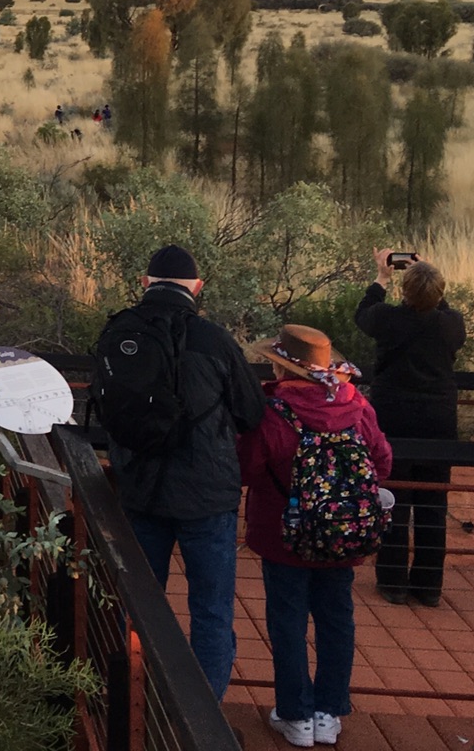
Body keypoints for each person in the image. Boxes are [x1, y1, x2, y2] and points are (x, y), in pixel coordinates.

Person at [94, 245, 266, 699]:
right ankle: (202, 720)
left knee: (134, 605)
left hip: (139, 491)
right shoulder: (215, 339)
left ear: (145, 283)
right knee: (211, 610)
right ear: (197, 287)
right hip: (207, 497)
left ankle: (125, 703)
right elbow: (251, 413)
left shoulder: (121, 331)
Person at [240, 325, 392, 747]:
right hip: (343, 535)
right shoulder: (357, 404)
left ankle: (295, 714)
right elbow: (382, 460)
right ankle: (328, 712)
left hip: (283, 534)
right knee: (337, 621)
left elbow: (247, 466)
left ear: (282, 365)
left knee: (287, 624)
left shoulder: (273, 410)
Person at [357, 248, 465, 606]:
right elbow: (441, 309)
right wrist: (426, 272)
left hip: (393, 418)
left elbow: (363, 315)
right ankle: (428, 586)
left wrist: (382, 277)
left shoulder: (389, 319)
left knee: (395, 497)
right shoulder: (451, 324)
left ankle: (392, 581)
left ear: (403, 290)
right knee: (433, 501)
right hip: (438, 421)